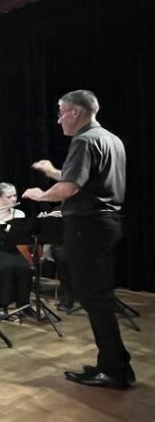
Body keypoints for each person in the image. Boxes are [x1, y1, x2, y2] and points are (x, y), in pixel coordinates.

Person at [23, 89, 133, 390]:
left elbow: (70, 188)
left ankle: (114, 370)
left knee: (94, 298)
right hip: (107, 224)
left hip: (89, 226)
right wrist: (52, 171)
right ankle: (117, 363)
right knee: (98, 296)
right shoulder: (111, 139)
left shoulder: (83, 140)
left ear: (75, 112)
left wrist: (41, 195)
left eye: (61, 112)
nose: (59, 120)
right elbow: (82, 179)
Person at [0, 183, 33, 321]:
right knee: (6, 267)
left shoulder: (19, 213)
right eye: (9, 196)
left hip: (10, 249)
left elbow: (18, 234)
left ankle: (24, 305)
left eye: (15, 195)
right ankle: (2, 306)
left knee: (25, 267)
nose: (14, 199)